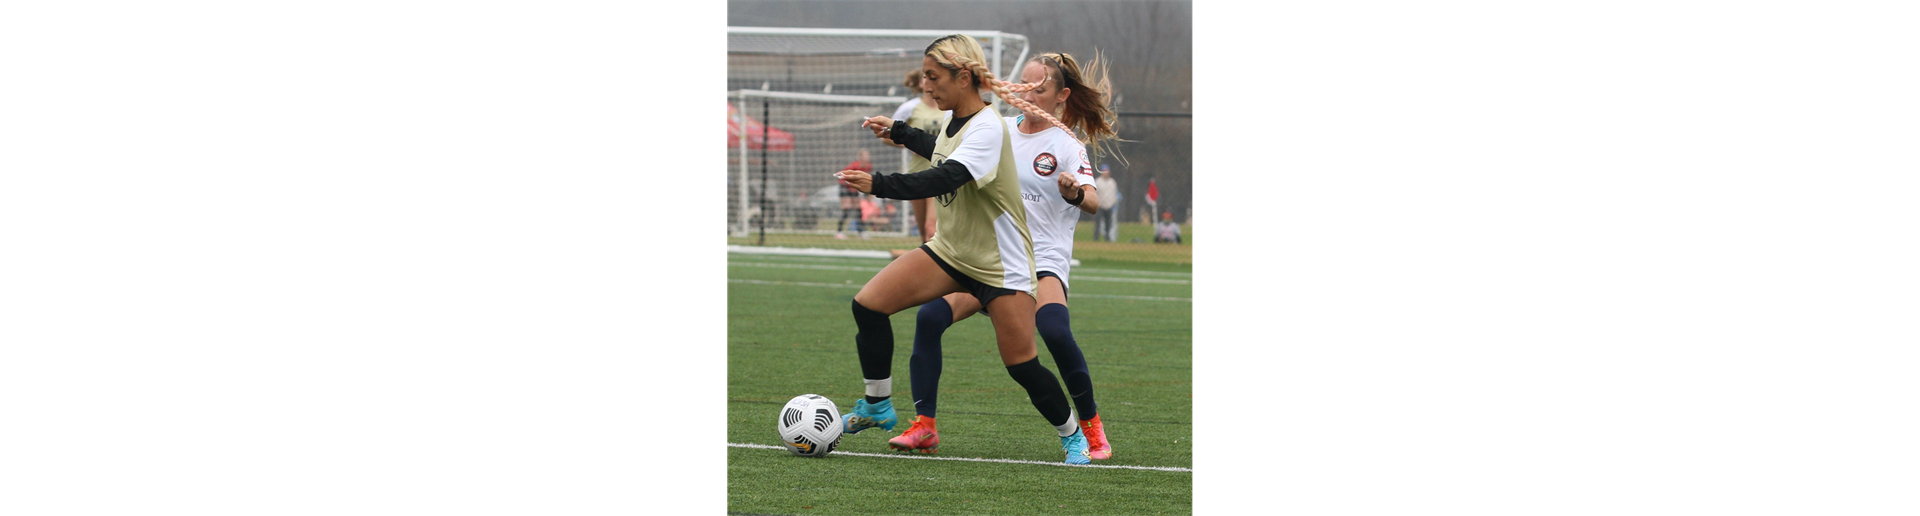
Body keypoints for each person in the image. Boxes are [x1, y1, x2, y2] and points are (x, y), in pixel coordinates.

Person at [836, 34, 1091, 465]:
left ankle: (1073, 437)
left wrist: (877, 183)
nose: (926, 86)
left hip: (1000, 266)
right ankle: (877, 406)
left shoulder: (989, 128)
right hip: (952, 252)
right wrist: (897, 131)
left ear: (964, 77)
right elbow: (938, 149)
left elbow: (941, 177)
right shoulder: (959, 121)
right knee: (868, 306)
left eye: (934, 78)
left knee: (1021, 365)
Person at [884, 51, 1125, 461]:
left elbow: (1094, 201)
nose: (1026, 94)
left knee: (1054, 330)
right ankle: (925, 427)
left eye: (1039, 88)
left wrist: (1073, 192)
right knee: (930, 317)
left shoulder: (1066, 143)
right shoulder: (998, 128)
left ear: (1062, 95)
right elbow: (946, 152)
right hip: (991, 256)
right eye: (1023, 85)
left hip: (1042, 259)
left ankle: (1091, 427)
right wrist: (900, 133)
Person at [888, 69, 947, 246]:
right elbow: (887, 134)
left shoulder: (948, 106)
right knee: (923, 233)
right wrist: (909, 143)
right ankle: (930, 268)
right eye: (926, 78)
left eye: (934, 78)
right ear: (920, 83)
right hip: (917, 173)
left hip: (942, 174)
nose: (930, 82)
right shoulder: (910, 108)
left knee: (932, 229)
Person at [836, 149, 872, 239]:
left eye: (868, 155)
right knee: (847, 208)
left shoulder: (868, 166)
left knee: (858, 209)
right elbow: (842, 175)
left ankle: (861, 232)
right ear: (860, 157)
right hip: (845, 186)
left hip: (854, 188)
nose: (868, 157)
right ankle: (839, 232)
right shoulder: (854, 165)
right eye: (866, 155)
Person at [1094, 164, 1120, 242]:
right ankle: (1096, 237)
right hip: (1100, 205)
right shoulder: (1098, 182)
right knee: (1098, 223)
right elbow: (1095, 193)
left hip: (1109, 206)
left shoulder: (1112, 182)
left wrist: (1113, 203)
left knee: (1108, 223)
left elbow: (1114, 193)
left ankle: (1107, 237)